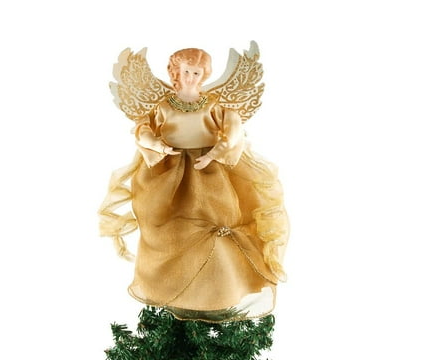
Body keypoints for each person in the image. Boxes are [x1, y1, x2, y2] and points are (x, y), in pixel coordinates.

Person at [100, 47, 289, 322]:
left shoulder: (212, 105)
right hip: (170, 175)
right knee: (172, 229)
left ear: (204, 75)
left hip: (209, 172)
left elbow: (233, 129)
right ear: (175, 73)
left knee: (217, 224)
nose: (191, 77)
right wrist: (158, 146)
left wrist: (214, 153)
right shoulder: (164, 107)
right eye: (186, 72)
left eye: (197, 73)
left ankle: (219, 291)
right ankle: (176, 291)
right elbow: (143, 130)